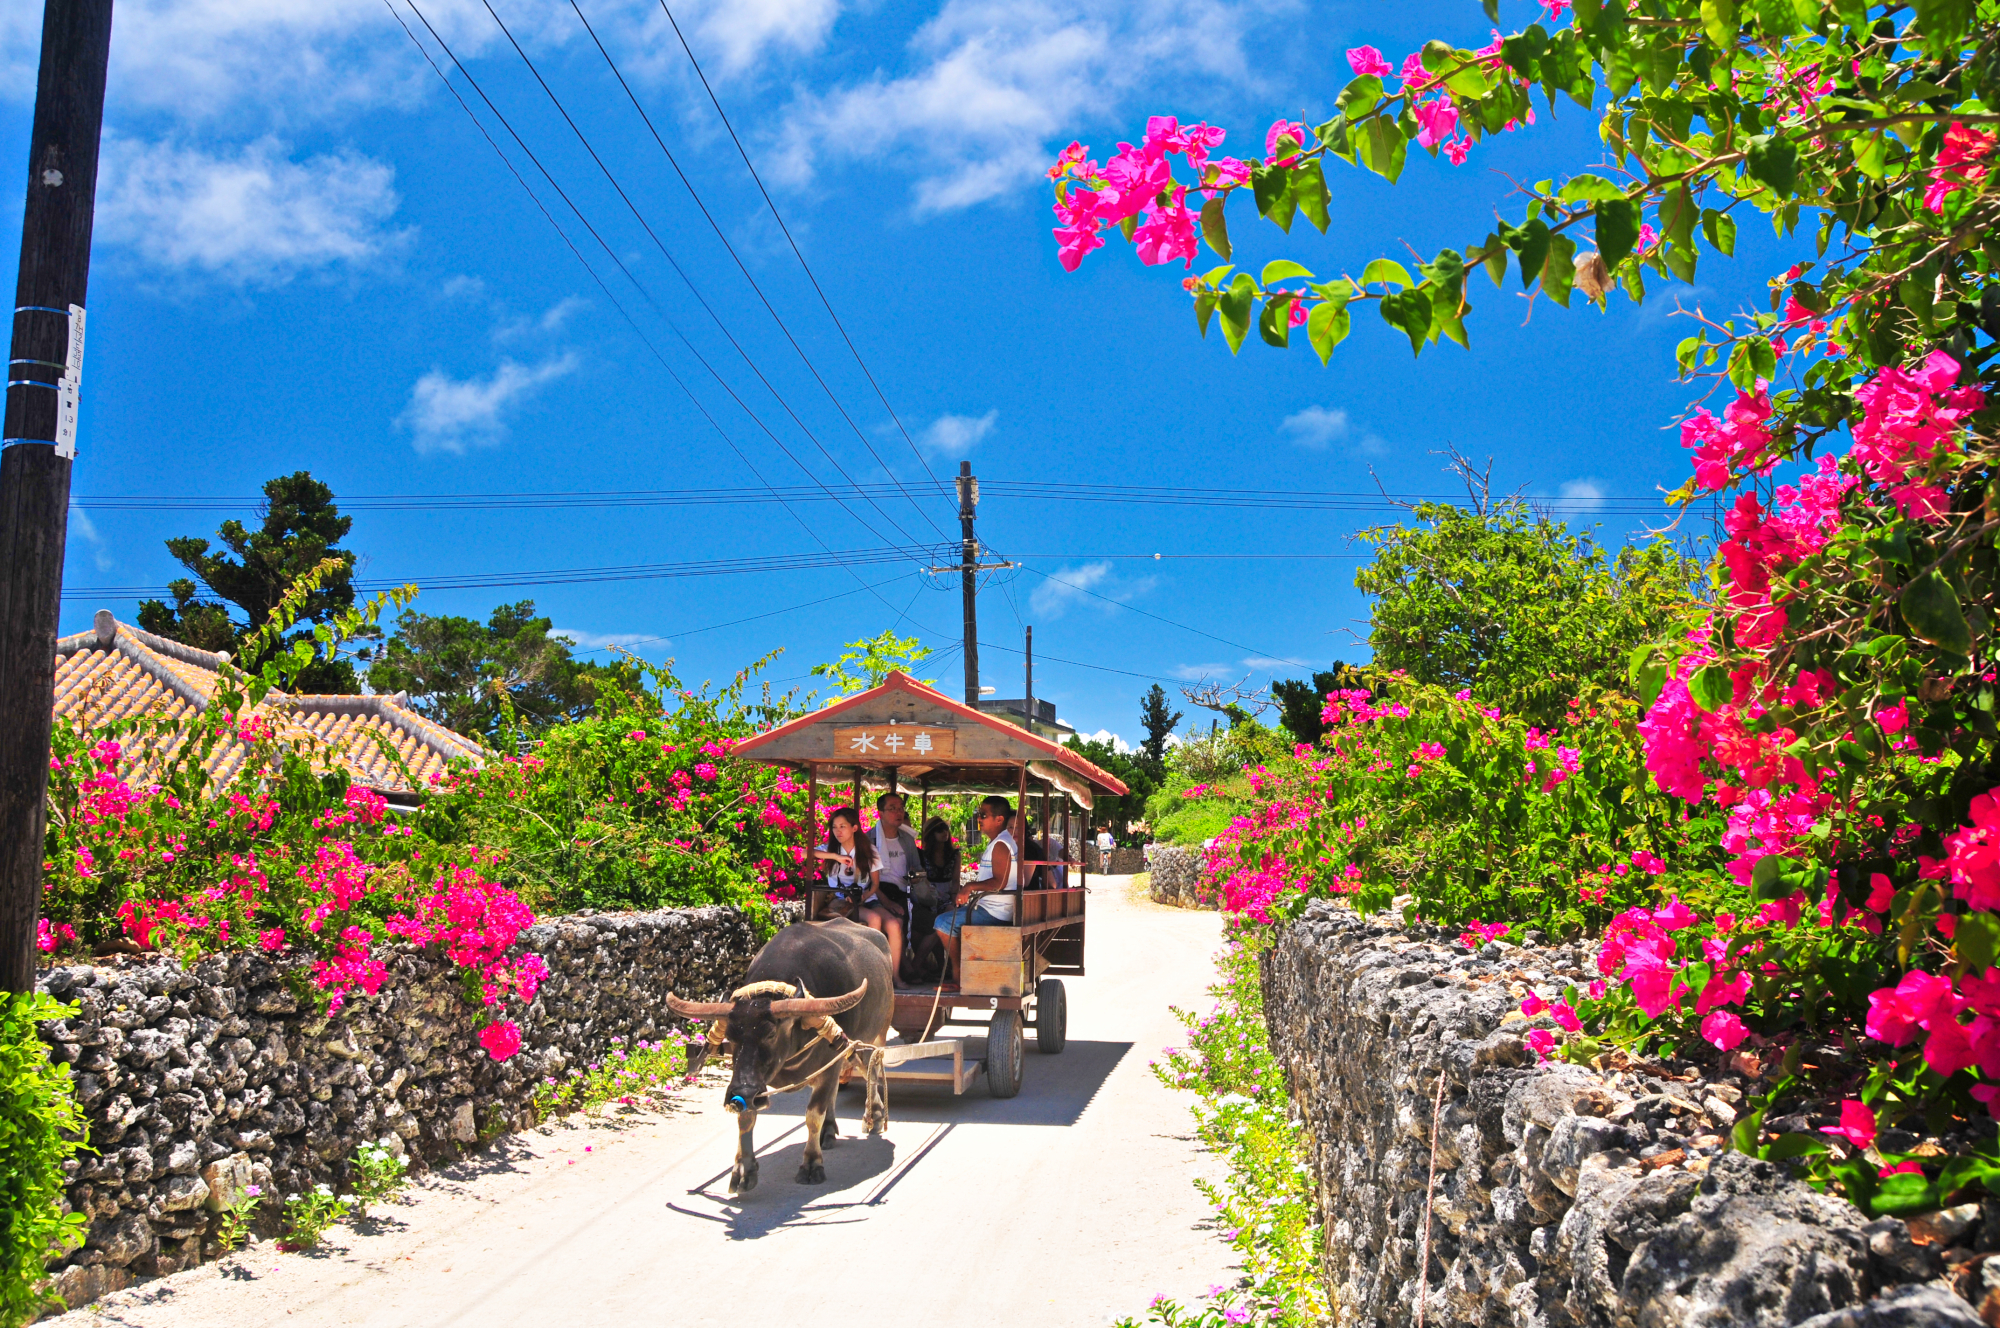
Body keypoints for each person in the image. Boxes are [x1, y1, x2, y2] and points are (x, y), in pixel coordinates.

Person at [934, 795, 1019, 979]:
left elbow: (1000, 882)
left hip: (995, 912)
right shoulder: (998, 841)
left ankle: (958, 972)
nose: (978, 819)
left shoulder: (1002, 845)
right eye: (979, 814)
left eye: (983, 815)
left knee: (942, 923)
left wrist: (970, 887)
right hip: (989, 907)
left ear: (999, 819)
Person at [860, 792, 921, 981]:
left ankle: (901, 971)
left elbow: (917, 868)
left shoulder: (907, 840)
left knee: (908, 924)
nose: (898, 812)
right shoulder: (868, 840)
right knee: (895, 924)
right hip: (875, 891)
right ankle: (895, 972)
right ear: (880, 813)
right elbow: (866, 878)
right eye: (892, 808)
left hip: (901, 889)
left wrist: (915, 876)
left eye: (901, 808)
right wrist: (885, 902)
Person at [813, 807, 876, 917]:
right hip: (839, 899)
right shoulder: (831, 848)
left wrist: (863, 896)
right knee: (873, 918)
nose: (838, 831)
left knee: (887, 922)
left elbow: (875, 882)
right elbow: (804, 853)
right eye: (834, 827)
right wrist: (835, 857)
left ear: (854, 828)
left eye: (842, 826)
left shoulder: (868, 850)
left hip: (865, 897)